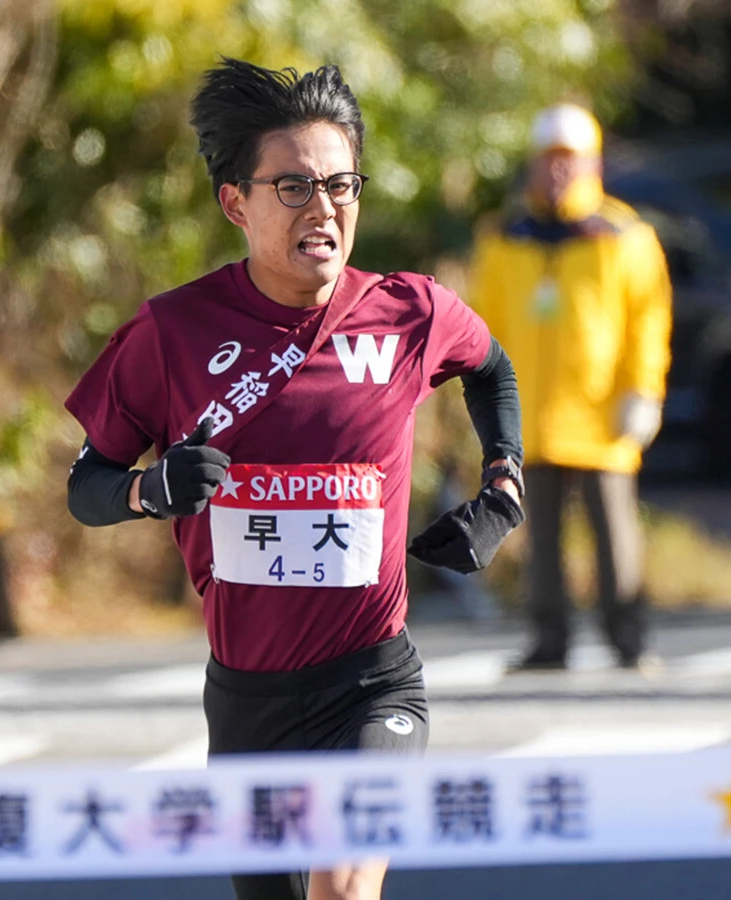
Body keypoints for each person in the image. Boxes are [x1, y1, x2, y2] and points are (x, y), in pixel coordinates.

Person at [65, 58, 524, 900]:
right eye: (295, 187)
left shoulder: (407, 311)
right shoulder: (174, 332)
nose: (325, 208)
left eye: (343, 184)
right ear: (235, 201)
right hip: (248, 702)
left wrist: (504, 488)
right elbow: (87, 485)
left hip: (374, 682)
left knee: (343, 891)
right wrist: (148, 490)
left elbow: (491, 369)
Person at [469, 104, 673, 672]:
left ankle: (628, 640)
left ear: (594, 165)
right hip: (529, 412)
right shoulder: (505, 235)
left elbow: (648, 321)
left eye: (571, 161)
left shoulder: (624, 235)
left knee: (614, 535)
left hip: (603, 410)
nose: (559, 172)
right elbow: (484, 325)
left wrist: (644, 391)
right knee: (540, 538)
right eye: (549, 161)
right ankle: (548, 640)